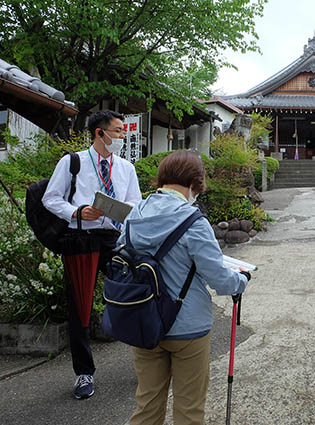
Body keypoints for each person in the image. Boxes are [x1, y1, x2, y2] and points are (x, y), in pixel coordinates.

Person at [123, 151, 250, 425]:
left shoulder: (135, 214)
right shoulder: (193, 221)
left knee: (146, 404)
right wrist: (242, 280)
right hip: (187, 327)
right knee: (189, 410)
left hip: (143, 321)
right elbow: (219, 278)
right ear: (196, 182)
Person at [42, 110, 142, 399]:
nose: (122, 137)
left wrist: (123, 212)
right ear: (100, 133)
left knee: (131, 293)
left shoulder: (126, 168)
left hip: (113, 237)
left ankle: (143, 360)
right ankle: (84, 373)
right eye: (118, 132)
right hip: (80, 236)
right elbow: (51, 198)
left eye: (123, 132)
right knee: (80, 305)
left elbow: (135, 203)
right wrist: (77, 211)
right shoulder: (73, 161)